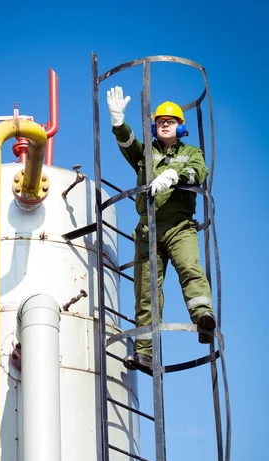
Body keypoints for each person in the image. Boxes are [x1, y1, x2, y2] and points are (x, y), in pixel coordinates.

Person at [106, 86, 215, 372]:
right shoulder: (146, 154)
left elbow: (198, 172)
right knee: (146, 292)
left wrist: (173, 175)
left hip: (179, 226)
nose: (165, 124)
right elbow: (129, 144)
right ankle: (144, 352)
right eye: (160, 121)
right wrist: (119, 122)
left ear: (181, 127)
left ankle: (203, 318)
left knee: (191, 269)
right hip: (148, 230)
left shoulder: (192, 152)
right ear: (154, 128)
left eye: (171, 121)